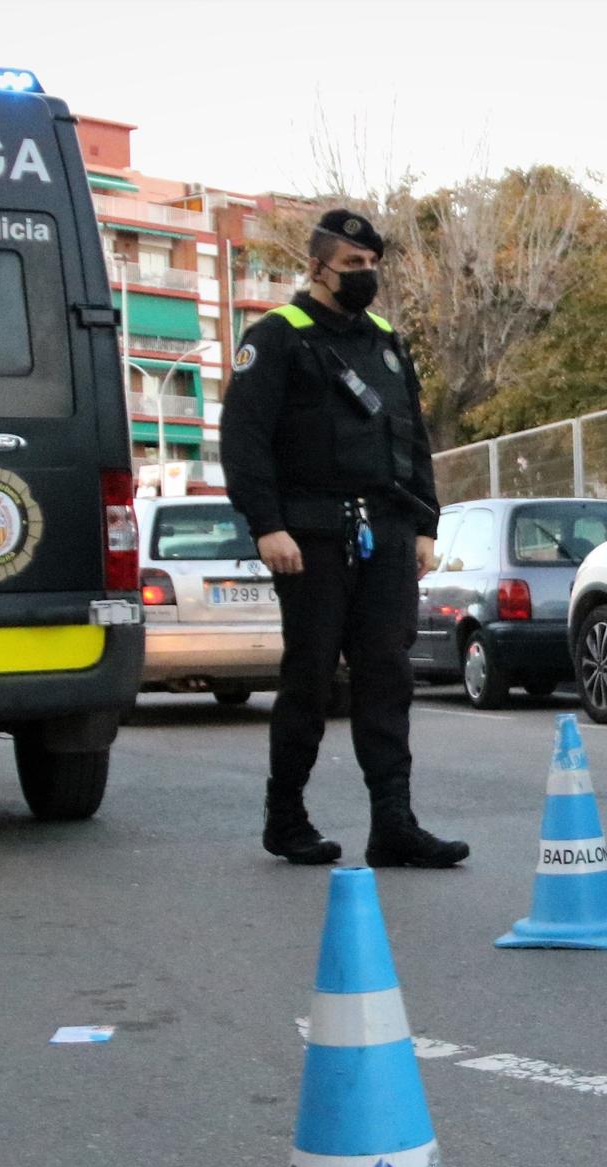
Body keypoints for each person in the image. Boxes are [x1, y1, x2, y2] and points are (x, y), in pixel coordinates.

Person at [220, 208, 468, 869]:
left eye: (371, 266)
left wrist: (425, 523)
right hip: (309, 533)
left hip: (385, 531)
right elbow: (244, 442)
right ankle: (286, 817)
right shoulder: (277, 338)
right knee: (311, 677)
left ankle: (394, 825)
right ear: (316, 267)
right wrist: (266, 524)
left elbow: (412, 437)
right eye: (352, 266)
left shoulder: (385, 340)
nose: (364, 276)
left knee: (386, 674)